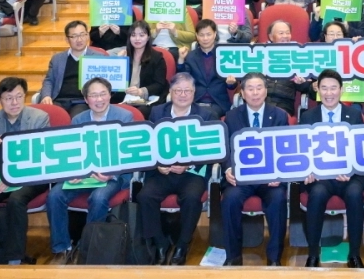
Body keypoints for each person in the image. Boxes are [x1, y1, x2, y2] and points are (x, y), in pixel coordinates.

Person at [46, 77, 135, 264]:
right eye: (94, 95)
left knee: (99, 198)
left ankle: (88, 248)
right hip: (82, 175)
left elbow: (130, 153)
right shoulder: (79, 119)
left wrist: (111, 173)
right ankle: (62, 248)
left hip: (112, 175)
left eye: (103, 94)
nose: (99, 99)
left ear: (110, 95)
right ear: (86, 99)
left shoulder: (124, 117)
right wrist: (74, 172)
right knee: (55, 195)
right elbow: (72, 152)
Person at [0, 76, 50, 265]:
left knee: (16, 200)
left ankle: (15, 256)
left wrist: (14, 176)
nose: (14, 102)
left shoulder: (39, 118)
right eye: (8, 98)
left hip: (32, 175)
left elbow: (40, 155)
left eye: (19, 97)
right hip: (1, 175)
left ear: (25, 97)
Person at [138, 73, 212, 265]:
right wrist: (158, 164)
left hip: (192, 173)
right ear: (170, 92)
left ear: (194, 93)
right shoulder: (156, 112)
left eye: (187, 91)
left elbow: (211, 149)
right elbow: (148, 144)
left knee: (192, 198)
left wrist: (188, 164)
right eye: (178, 90)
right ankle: (160, 243)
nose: (182, 94)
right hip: (161, 172)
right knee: (145, 197)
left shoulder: (206, 115)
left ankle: (182, 244)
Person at [221, 73, 291, 266]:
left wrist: (280, 174)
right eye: (250, 89)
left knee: (278, 198)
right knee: (230, 199)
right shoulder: (232, 116)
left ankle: (275, 258)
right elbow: (226, 149)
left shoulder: (279, 115)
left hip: (270, 178)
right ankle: (233, 257)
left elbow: (286, 149)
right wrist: (228, 169)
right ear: (242, 93)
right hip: (242, 178)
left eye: (259, 88)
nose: (255, 93)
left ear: (266, 91)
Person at [299, 69, 364, 268]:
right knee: (317, 194)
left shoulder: (354, 115)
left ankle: (354, 254)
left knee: (355, 194)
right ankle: (312, 253)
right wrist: (308, 172)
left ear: (341, 90)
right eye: (324, 88)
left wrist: (351, 170)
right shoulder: (308, 116)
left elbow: (361, 148)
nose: (329, 93)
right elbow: (303, 150)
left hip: (349, 176)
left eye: (333, 88)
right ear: (318, 90)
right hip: (321, 178)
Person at [177, 19, 236, 119]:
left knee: (208, 115)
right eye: (201, 35)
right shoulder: (191, 56)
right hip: (195, 100)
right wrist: (181, 59)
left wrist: (230, 83)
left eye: (208, 34)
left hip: (217, 102)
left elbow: (232, 86)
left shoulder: (224, 55)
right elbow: (183, 79)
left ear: (215, 34)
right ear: (196, 36)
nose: (205, 38)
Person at [38, 20, 96, 116]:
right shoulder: (57, 58)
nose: (79, 39)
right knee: (48, 118)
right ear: (67, 39)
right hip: (59, 100)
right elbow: (49, 80)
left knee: (77, 120)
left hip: (82, 102)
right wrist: (46, 96)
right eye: (74, 36)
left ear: (87, 36)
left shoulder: (98, 57)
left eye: (82, 35)